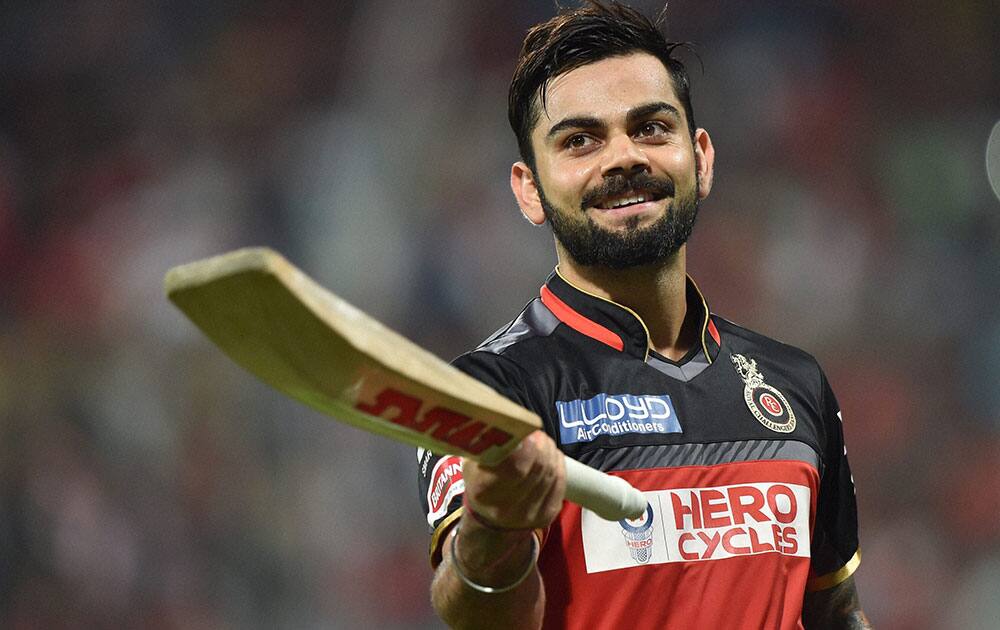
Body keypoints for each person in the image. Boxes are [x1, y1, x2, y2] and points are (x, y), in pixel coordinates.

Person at [416, 2, 871, 628]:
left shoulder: (796, 385)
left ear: (702, 157)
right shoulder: (491, 393)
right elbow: (473, 615)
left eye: (652, 127)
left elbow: (835, 611)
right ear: (530, 189)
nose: (623, 157)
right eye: (580, 140)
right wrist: (494, 524)